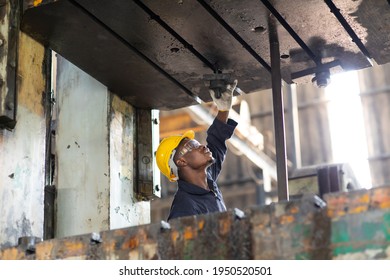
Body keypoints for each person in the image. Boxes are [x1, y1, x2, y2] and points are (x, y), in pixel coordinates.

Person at [156, 80, 238, 221]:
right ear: (181, 161)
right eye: (191, 146)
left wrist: (223, 109)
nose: (201, 146)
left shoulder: (208, 179)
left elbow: (216, 140)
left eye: (196, 142)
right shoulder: (185, 206)